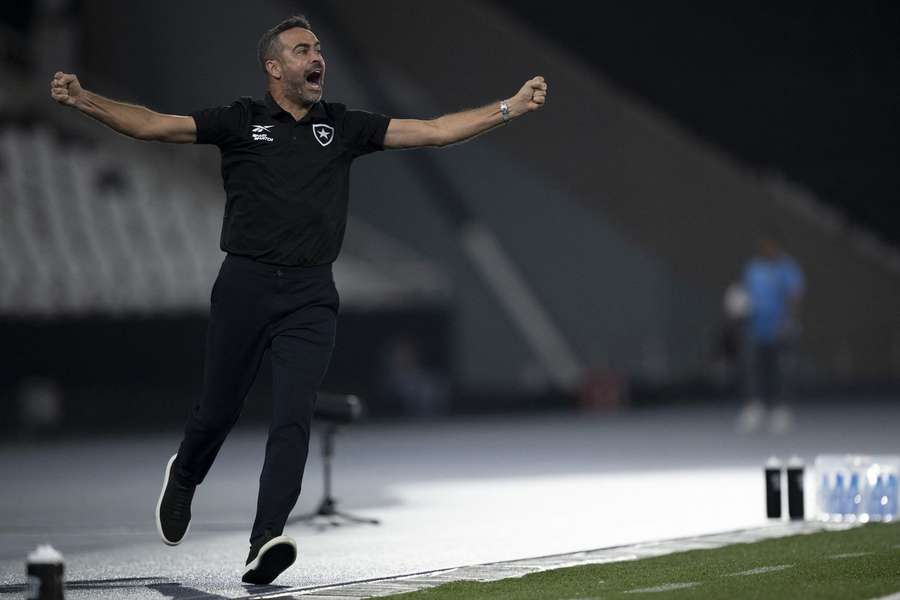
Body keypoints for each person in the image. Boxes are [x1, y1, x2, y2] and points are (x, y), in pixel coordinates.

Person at [50, 14, 548, 584]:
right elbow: (154, 125)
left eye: (319, 50)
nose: (318, 59)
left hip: (311, 294)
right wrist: (86, 100)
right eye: (303, 50)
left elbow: (433, 130)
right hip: (245, 284)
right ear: (274, 67)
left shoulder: (343, 126)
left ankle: (266, 541)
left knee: (293, 418)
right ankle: (185, 474)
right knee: (218, 410)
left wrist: (508, 106)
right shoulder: (239, 120)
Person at [735, 235, 804, 434]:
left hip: (779, 328)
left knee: (781, 370)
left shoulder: (787, 268)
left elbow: (795, 296)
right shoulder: (753, 269)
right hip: (756, 329)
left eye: (772, 246)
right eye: (765, 246)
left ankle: (781, 409)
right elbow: (745, 294)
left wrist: (788, 322)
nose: (768, 250)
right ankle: (754, 407)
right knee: (754, 369)